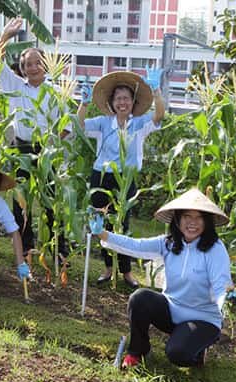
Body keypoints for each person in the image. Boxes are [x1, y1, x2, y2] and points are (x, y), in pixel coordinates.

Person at [91, 189, 236, 369]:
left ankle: (197, 350)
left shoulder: (215, 249)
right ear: (177, 219)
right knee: (140, 298)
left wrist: (227, 297)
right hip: (171, 309)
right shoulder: (169, 243)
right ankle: (137, 351)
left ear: (207, 222)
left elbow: (221, 282)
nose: (192, 223)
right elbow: (136, 245)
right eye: (187, 216)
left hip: (202, 319)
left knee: (177, 354)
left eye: (199, 218)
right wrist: (102, 234)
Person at [79, 68, 167, 288]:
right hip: (101, 178)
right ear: (112, 102)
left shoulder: (139, 123)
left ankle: (126, 272)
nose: (122, 103)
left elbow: (159, 115)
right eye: (118, 99)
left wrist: (156, 90)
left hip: (125, 180)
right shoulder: (102, 122)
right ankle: (108, 268)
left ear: (133, 102)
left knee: (123, 224)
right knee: (100, 223)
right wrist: (84, 104)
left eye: (126, 98)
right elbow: (79, 125)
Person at [0, 18, 71, 263]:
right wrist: (5, 36)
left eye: (37, 62)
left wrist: (51, 145)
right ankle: (27, 249)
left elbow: (67, 127)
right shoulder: (15, 86)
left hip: (47, 151)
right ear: (22, 68)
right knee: (21, 202)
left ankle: (59, 251)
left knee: (51, 202)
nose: (32, 67)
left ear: (46, 65)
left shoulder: (56, 92)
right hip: (21, 149)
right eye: (27, 64)